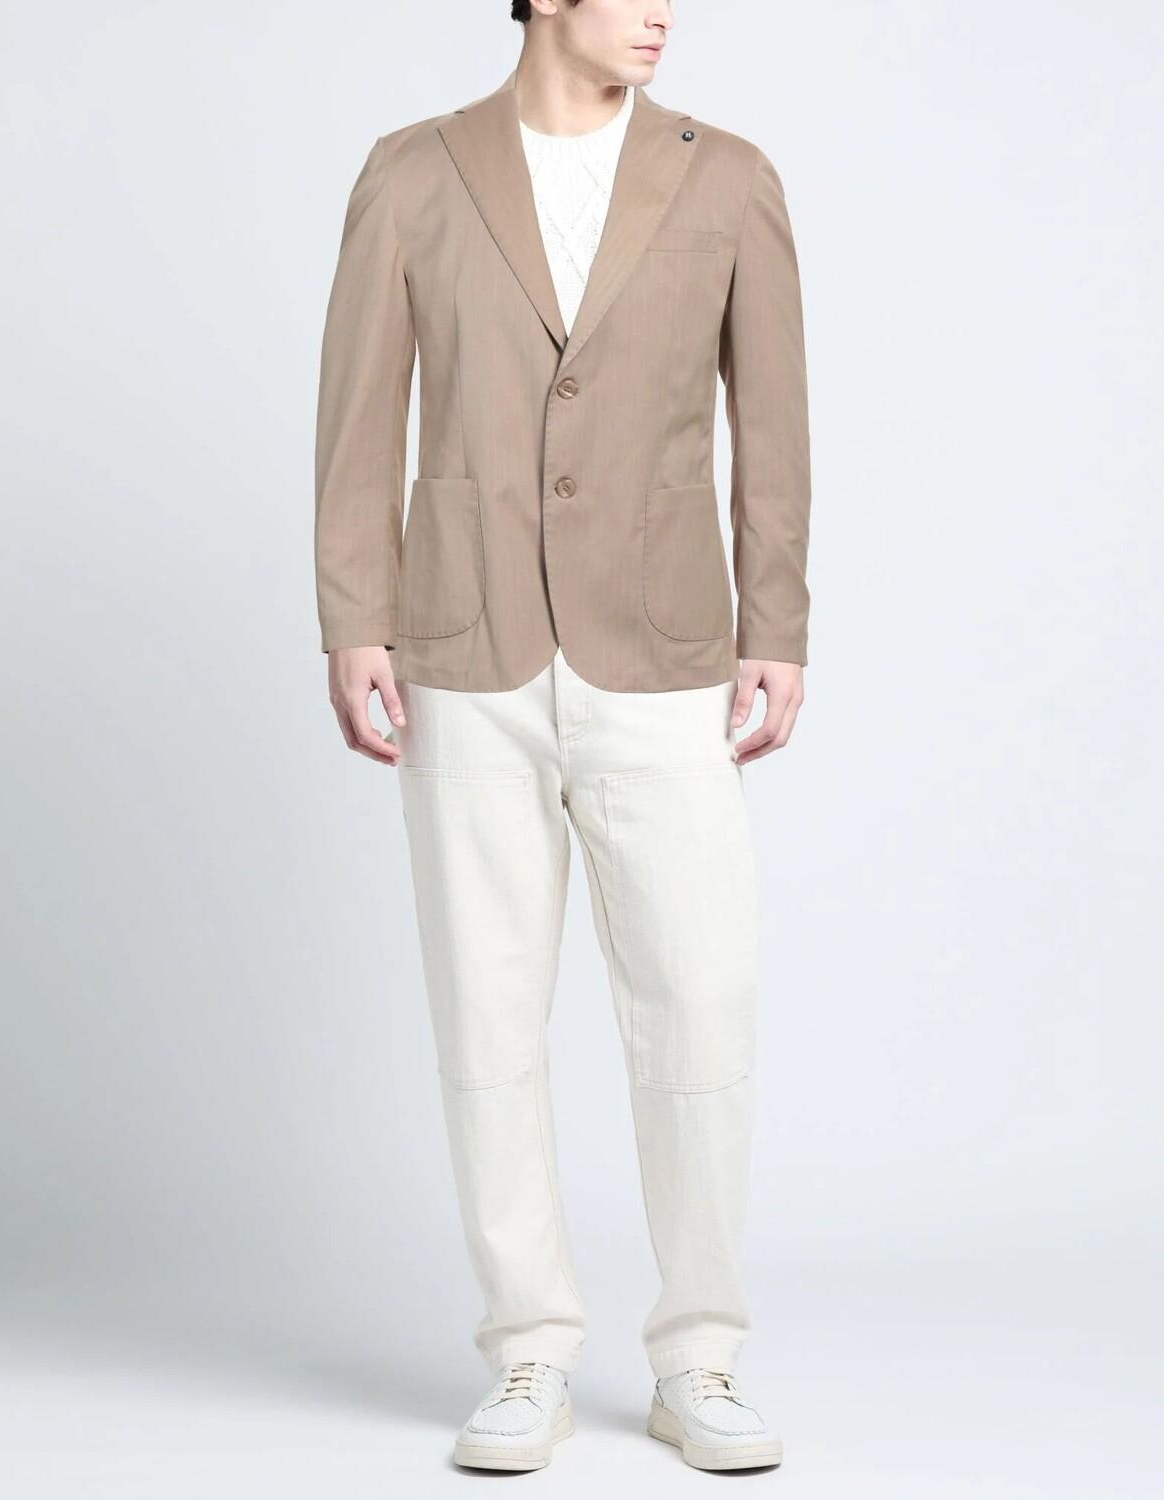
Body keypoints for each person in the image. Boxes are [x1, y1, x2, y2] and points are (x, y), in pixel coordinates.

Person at [313, 0, 810, 1474]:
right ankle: (526, 1348)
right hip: (464, 644)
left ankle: (698, 1356)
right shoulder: (412, 172)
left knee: (699, 1007)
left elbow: (773, 424)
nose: (665, 10)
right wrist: (355, 616)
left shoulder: (729, 176)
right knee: (486, 1013)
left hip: (663, 646)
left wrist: (776, 623)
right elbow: (359, 414)